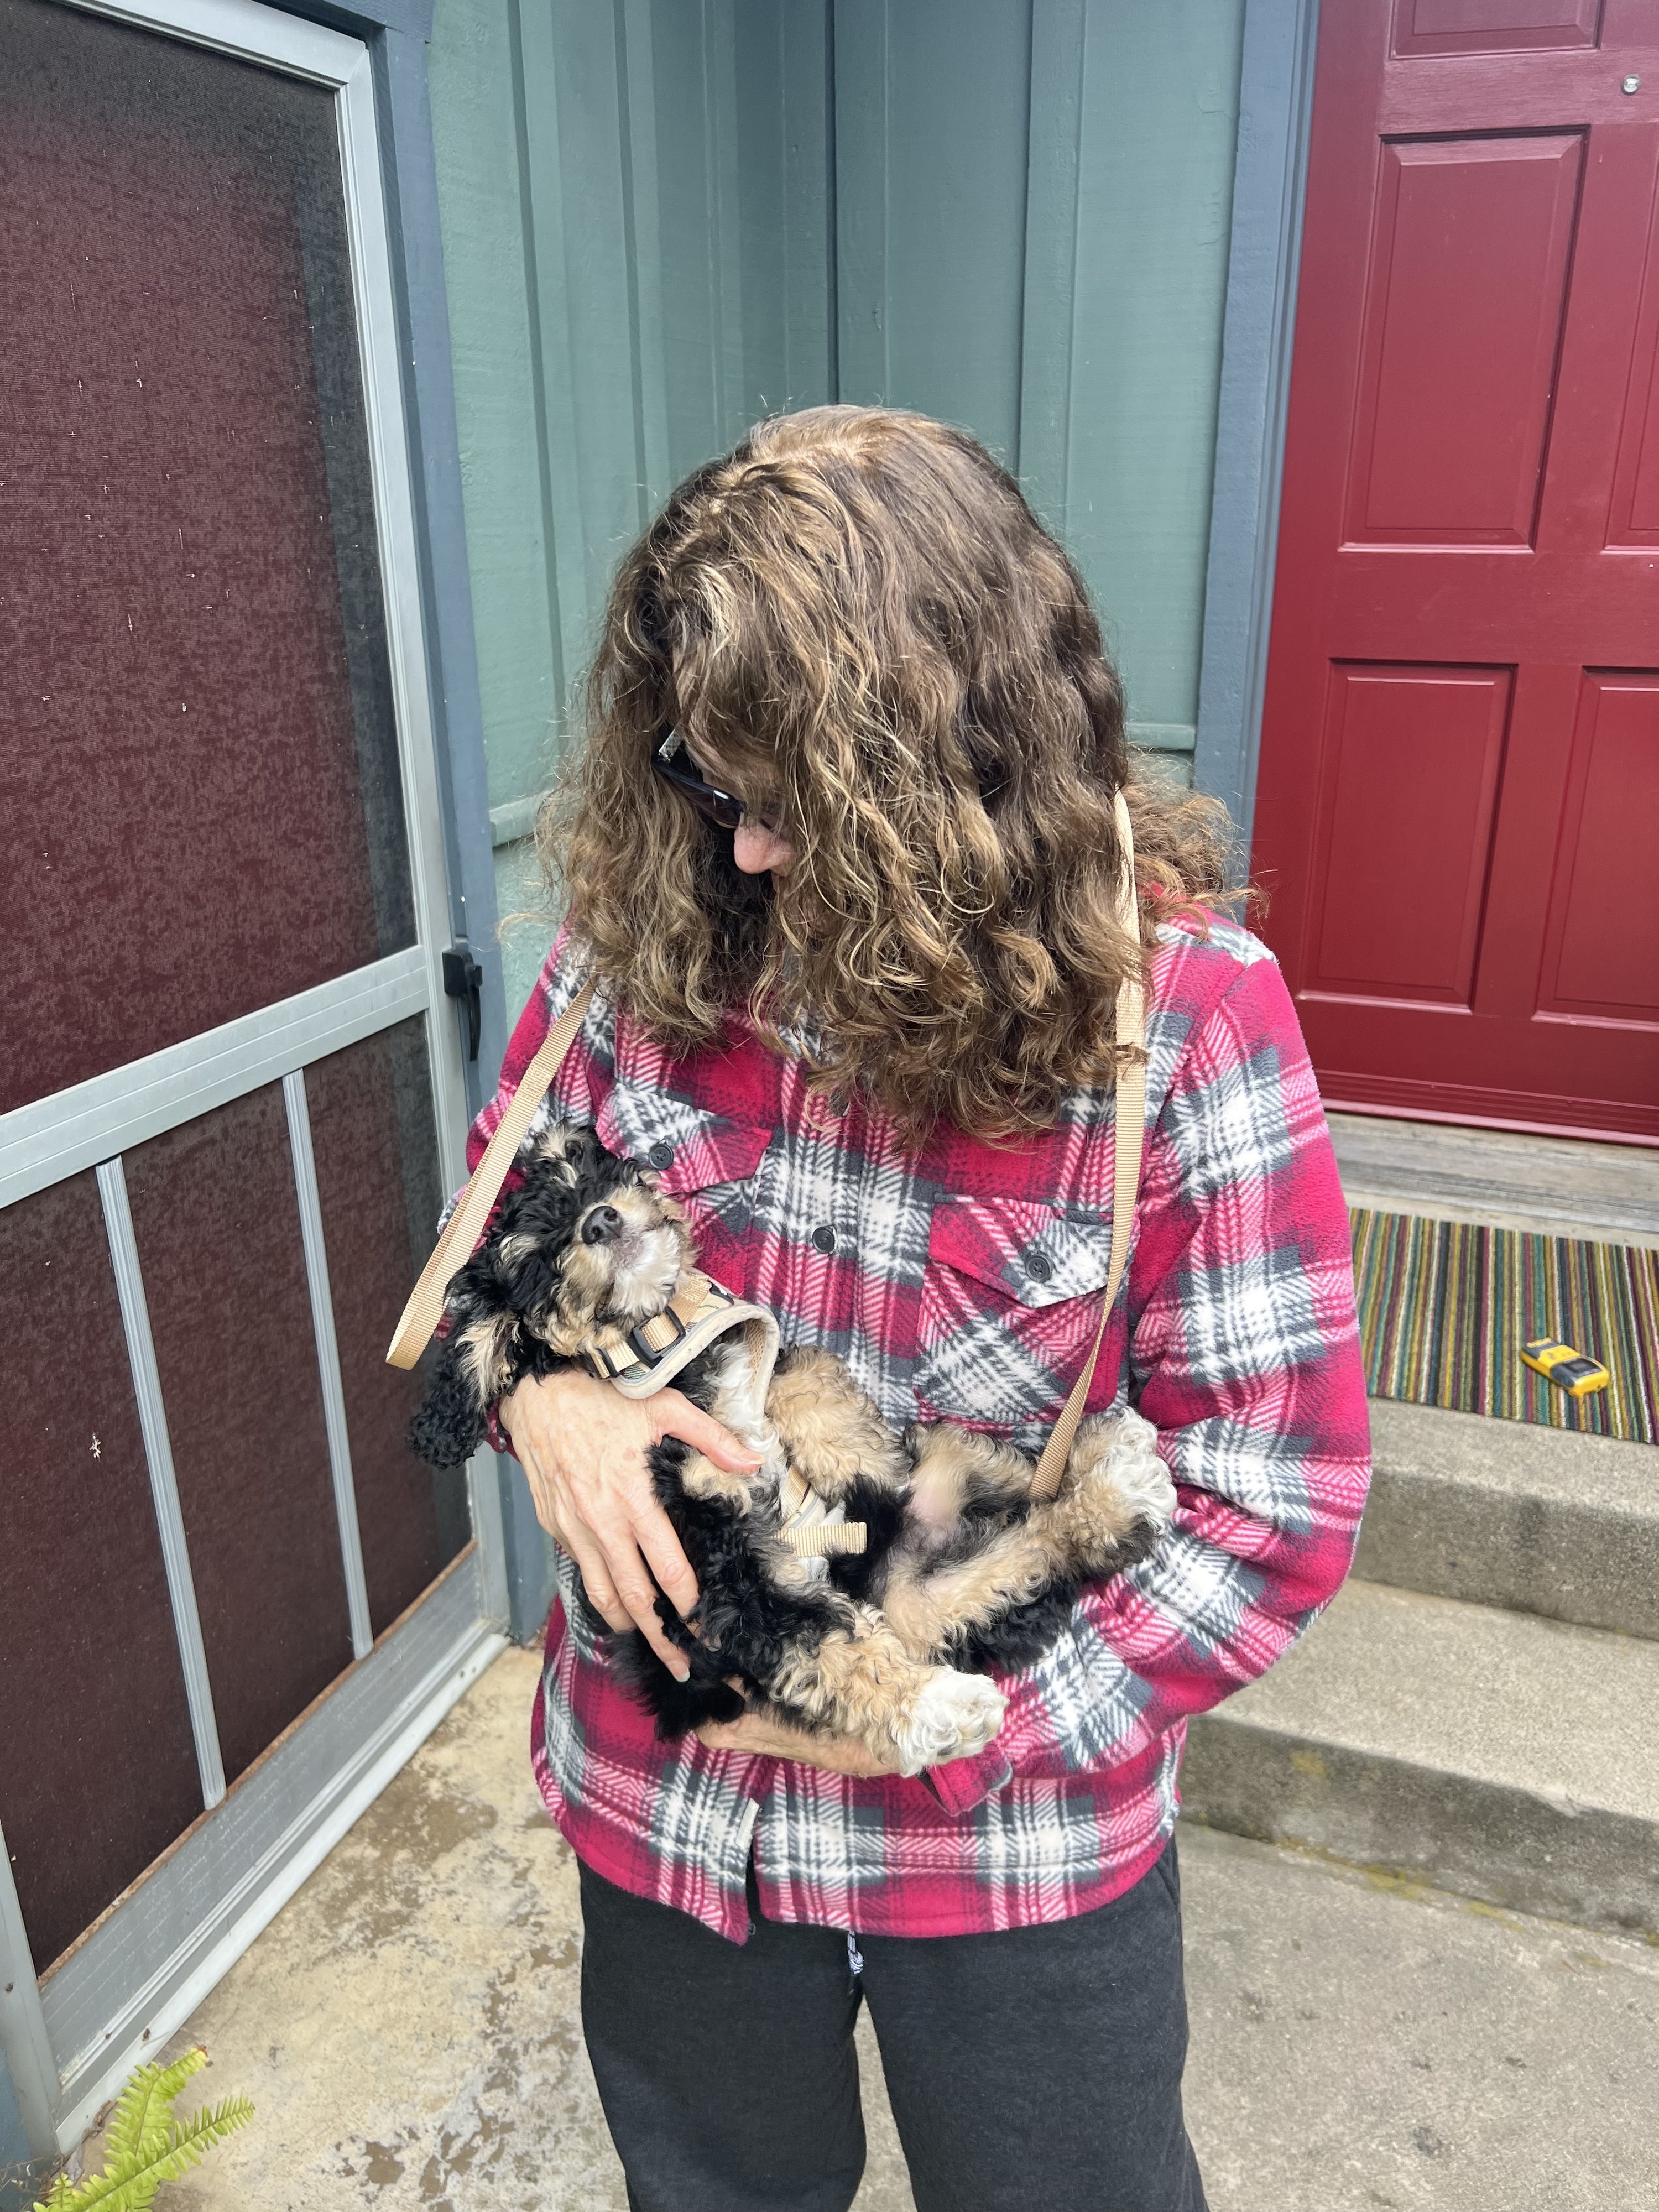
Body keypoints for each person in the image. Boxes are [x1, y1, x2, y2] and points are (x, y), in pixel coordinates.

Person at [468, 406, 1370, 2212]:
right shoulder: (634, 955)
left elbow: (1278, 1504)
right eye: (708, 786)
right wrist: (541, 1401)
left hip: (1013, 1853)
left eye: (785, 800)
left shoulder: (1184, 1020)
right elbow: (491, 1231)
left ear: (946, 761)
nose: (739, 859)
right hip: (669, 1814)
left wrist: (933, 1718)